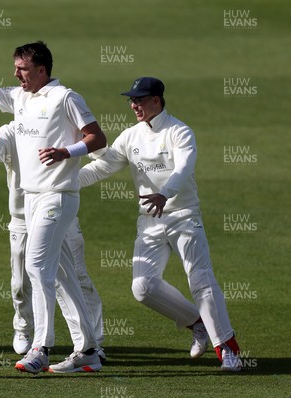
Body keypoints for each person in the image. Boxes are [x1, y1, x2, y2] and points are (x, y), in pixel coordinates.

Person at [0, 25, 107, 374]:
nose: (17, 75)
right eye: (16, 69)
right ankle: (89, 350)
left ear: (42, 71)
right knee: (61, 275)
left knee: (36, 267)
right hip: (32, 198)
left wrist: (66, 151)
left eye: (23, 69)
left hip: (57, 196)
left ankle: (40, 347)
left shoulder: (65, 98)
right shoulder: (18, 97)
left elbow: (97, 137)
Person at [79, 77, 243, 372]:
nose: (134, 105)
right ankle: (197, 323)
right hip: (149, 220)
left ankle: (228, 349)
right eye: (132, 100)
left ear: (157, 99)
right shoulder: (131, 136)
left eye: (140, 100)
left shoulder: (180, 131)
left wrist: (165, 194)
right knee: (143, 287)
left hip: (183, 215)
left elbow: (184, 168)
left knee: (201, 280)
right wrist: (62, 184)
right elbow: (104, 165)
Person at [0, 123, 106, 362]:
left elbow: (103, 153)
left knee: (75, 277)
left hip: (59, 214)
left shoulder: (64, 124)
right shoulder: (14, 127)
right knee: (21, 282)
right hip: (22, 216)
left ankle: (91, 344)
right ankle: (24, 328)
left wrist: (73, 180)